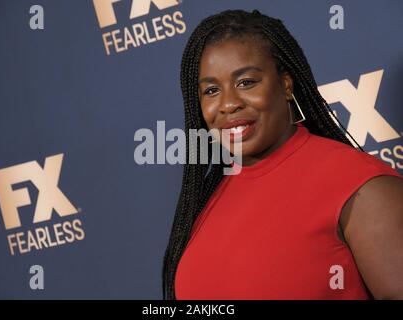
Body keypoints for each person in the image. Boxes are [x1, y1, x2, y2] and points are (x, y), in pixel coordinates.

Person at [162, 9, 403, 300]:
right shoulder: (205, 201)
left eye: (246, 82)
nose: (228, 104)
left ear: (286, 84)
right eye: (211, 90)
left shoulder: (361, 184)